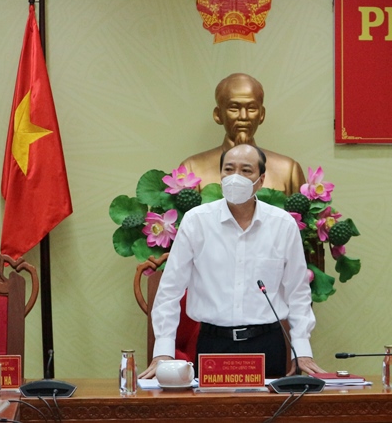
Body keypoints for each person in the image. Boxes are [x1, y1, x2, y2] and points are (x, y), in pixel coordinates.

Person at [139, 144, 325, 379]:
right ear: (221, 175)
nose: (236, 177)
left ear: (261, 180)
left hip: (267, 344)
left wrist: (302, 351)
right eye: (229, 169)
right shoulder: (197, 222)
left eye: (246, 170)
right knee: (213, 404)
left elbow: (298, 292)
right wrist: (163, 352)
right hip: (213, 343)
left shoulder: (283, 224)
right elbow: (169, 291)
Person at [180, 73, 306, 196]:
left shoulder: (288, 170)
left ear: (262, 114)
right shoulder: (192, 169)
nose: (243, 116)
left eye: (251, 108)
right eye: (234, 108)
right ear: (218, 115)